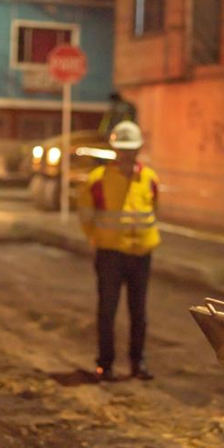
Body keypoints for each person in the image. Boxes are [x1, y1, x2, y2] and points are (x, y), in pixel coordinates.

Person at [78, 121, 160, 382]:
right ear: (115, 150)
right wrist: (98, 239)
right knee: (108, 311)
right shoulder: (98, 180)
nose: (127, 154)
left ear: (138, 150)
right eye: (122, 149)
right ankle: (106, 365)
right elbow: (86, 216)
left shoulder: (149, 178)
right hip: (110, 255)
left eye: (131, 149)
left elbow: (154, 210)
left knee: (139, 314)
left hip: (141, 255)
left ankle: (138, 364)